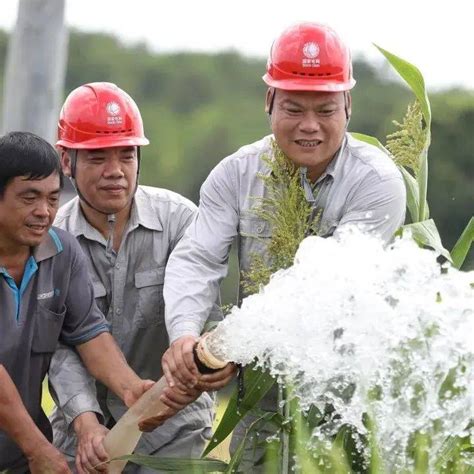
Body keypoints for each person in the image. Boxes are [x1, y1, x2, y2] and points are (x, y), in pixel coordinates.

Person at [162, 22, 407, 470]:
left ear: (348, 106)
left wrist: (229, 345)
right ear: (269, 102)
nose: (309, 127)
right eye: (293, 108)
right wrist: (185, 336)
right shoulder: (235, 175)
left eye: (326, 110)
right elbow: (197, 259)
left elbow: (323, 287)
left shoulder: (377, 183)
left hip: (348, 402)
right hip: (262, 403)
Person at [48, 82, 235, 473]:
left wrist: (217, 364)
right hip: (85, 430)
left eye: (127, 155)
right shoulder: (51, 238)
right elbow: (58, 347)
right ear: (67, 161)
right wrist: (85, 423)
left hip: (173, 428)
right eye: (98, 158)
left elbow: (207, 317)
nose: (115, 172)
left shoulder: (181, 220)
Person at [0, 131, 167, 473]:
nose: (44, 212)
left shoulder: (62, 252)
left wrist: (131, 388)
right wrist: (39, 450)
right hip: (29, 447)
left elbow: (88, 334)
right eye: (29, 198)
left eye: (50, 198)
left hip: (16, 456)